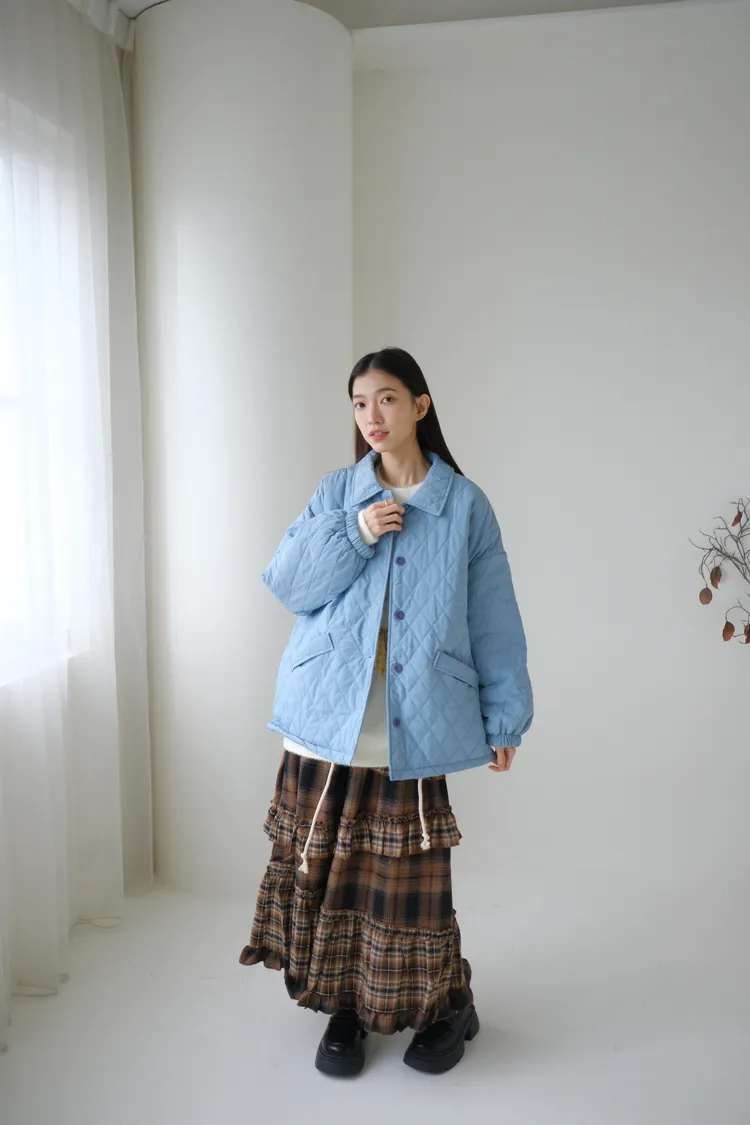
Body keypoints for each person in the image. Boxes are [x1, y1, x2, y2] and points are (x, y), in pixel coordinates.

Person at [239, 346, 533, 1077]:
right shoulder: (338, 492)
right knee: (331, 872)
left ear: (421, 405)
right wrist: (357, 530)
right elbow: (288, 584)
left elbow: (494, 616)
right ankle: (346, 1006)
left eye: (388, 398)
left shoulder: (464, 504)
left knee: (408, 890)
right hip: (328, 719)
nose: (372, 415)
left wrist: (505, 716)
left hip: (417, 720)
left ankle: (447, 1005)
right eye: (360, 402)